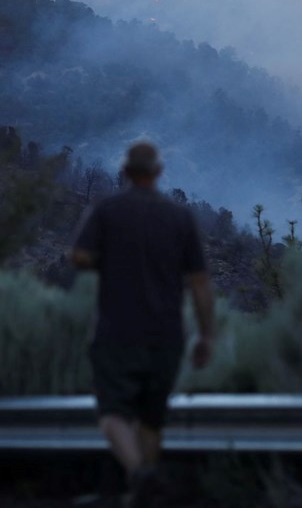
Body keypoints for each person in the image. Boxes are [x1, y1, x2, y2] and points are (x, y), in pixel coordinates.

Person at [72, 142, 215, 506]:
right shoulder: (180, 217)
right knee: (152, 421)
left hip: (117, 333)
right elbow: (200, 282)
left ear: (125, 172)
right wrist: (206, 334)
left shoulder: (108, 210)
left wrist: (107, 260)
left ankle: (139, 475)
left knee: (112, 415)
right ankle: (144, 494)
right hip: (167, 336)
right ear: (157, 172)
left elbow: (80, 255)